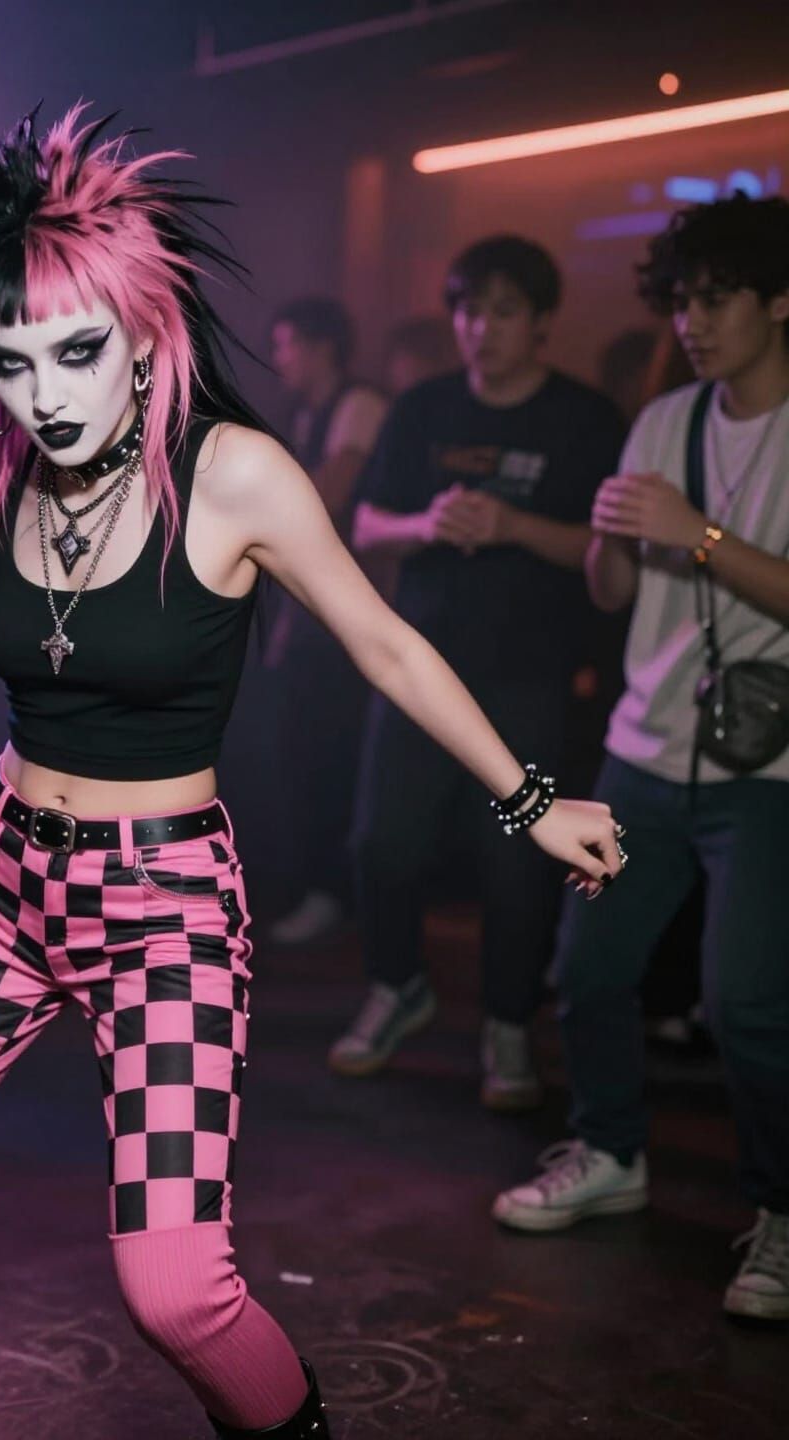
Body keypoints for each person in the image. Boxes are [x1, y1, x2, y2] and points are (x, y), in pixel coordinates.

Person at [0, 109, 623, 1440]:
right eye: (10, 360)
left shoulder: (237, 476)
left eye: (79, 352)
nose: (44, 395)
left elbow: (387, 645)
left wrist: (535, 802)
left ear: (147, 331)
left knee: (176, 1290)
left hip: (164, 909)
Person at [492, 194, 789, 1323]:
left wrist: (697, 537)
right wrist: (616, 544)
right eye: (684, 299)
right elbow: (614, 594)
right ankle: (611, 1152)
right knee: (592, 968)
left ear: (778, 299)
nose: (696, 321)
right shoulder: (665, 419)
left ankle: (782, 1211)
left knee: (747, 1001)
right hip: (646, 747)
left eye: (719, 299)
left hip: (770, 768)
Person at [342, 235, 626, 1111]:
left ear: (542, 324)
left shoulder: (585, 420)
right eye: (468, 311)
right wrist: (425, 523)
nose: (480, 329)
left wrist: (511, 526)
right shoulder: (423, 406)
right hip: (421, 670)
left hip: (529, 676)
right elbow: (364, 528)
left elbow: (609, 554)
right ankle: (399, 986)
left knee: (517, 869)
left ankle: (508, 1022)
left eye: (503, 312)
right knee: (380, 846)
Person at [264, 298, 387, 944]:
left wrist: (253, 497)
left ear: (321, 346)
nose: (280, 358)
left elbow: (331, 496)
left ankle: (341, 898)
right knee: (304, 756)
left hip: (359, 612)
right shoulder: (304, 413)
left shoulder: (358, 405)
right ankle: (322, 891)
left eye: (287, 344)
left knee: (338, 759)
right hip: (310, 617)